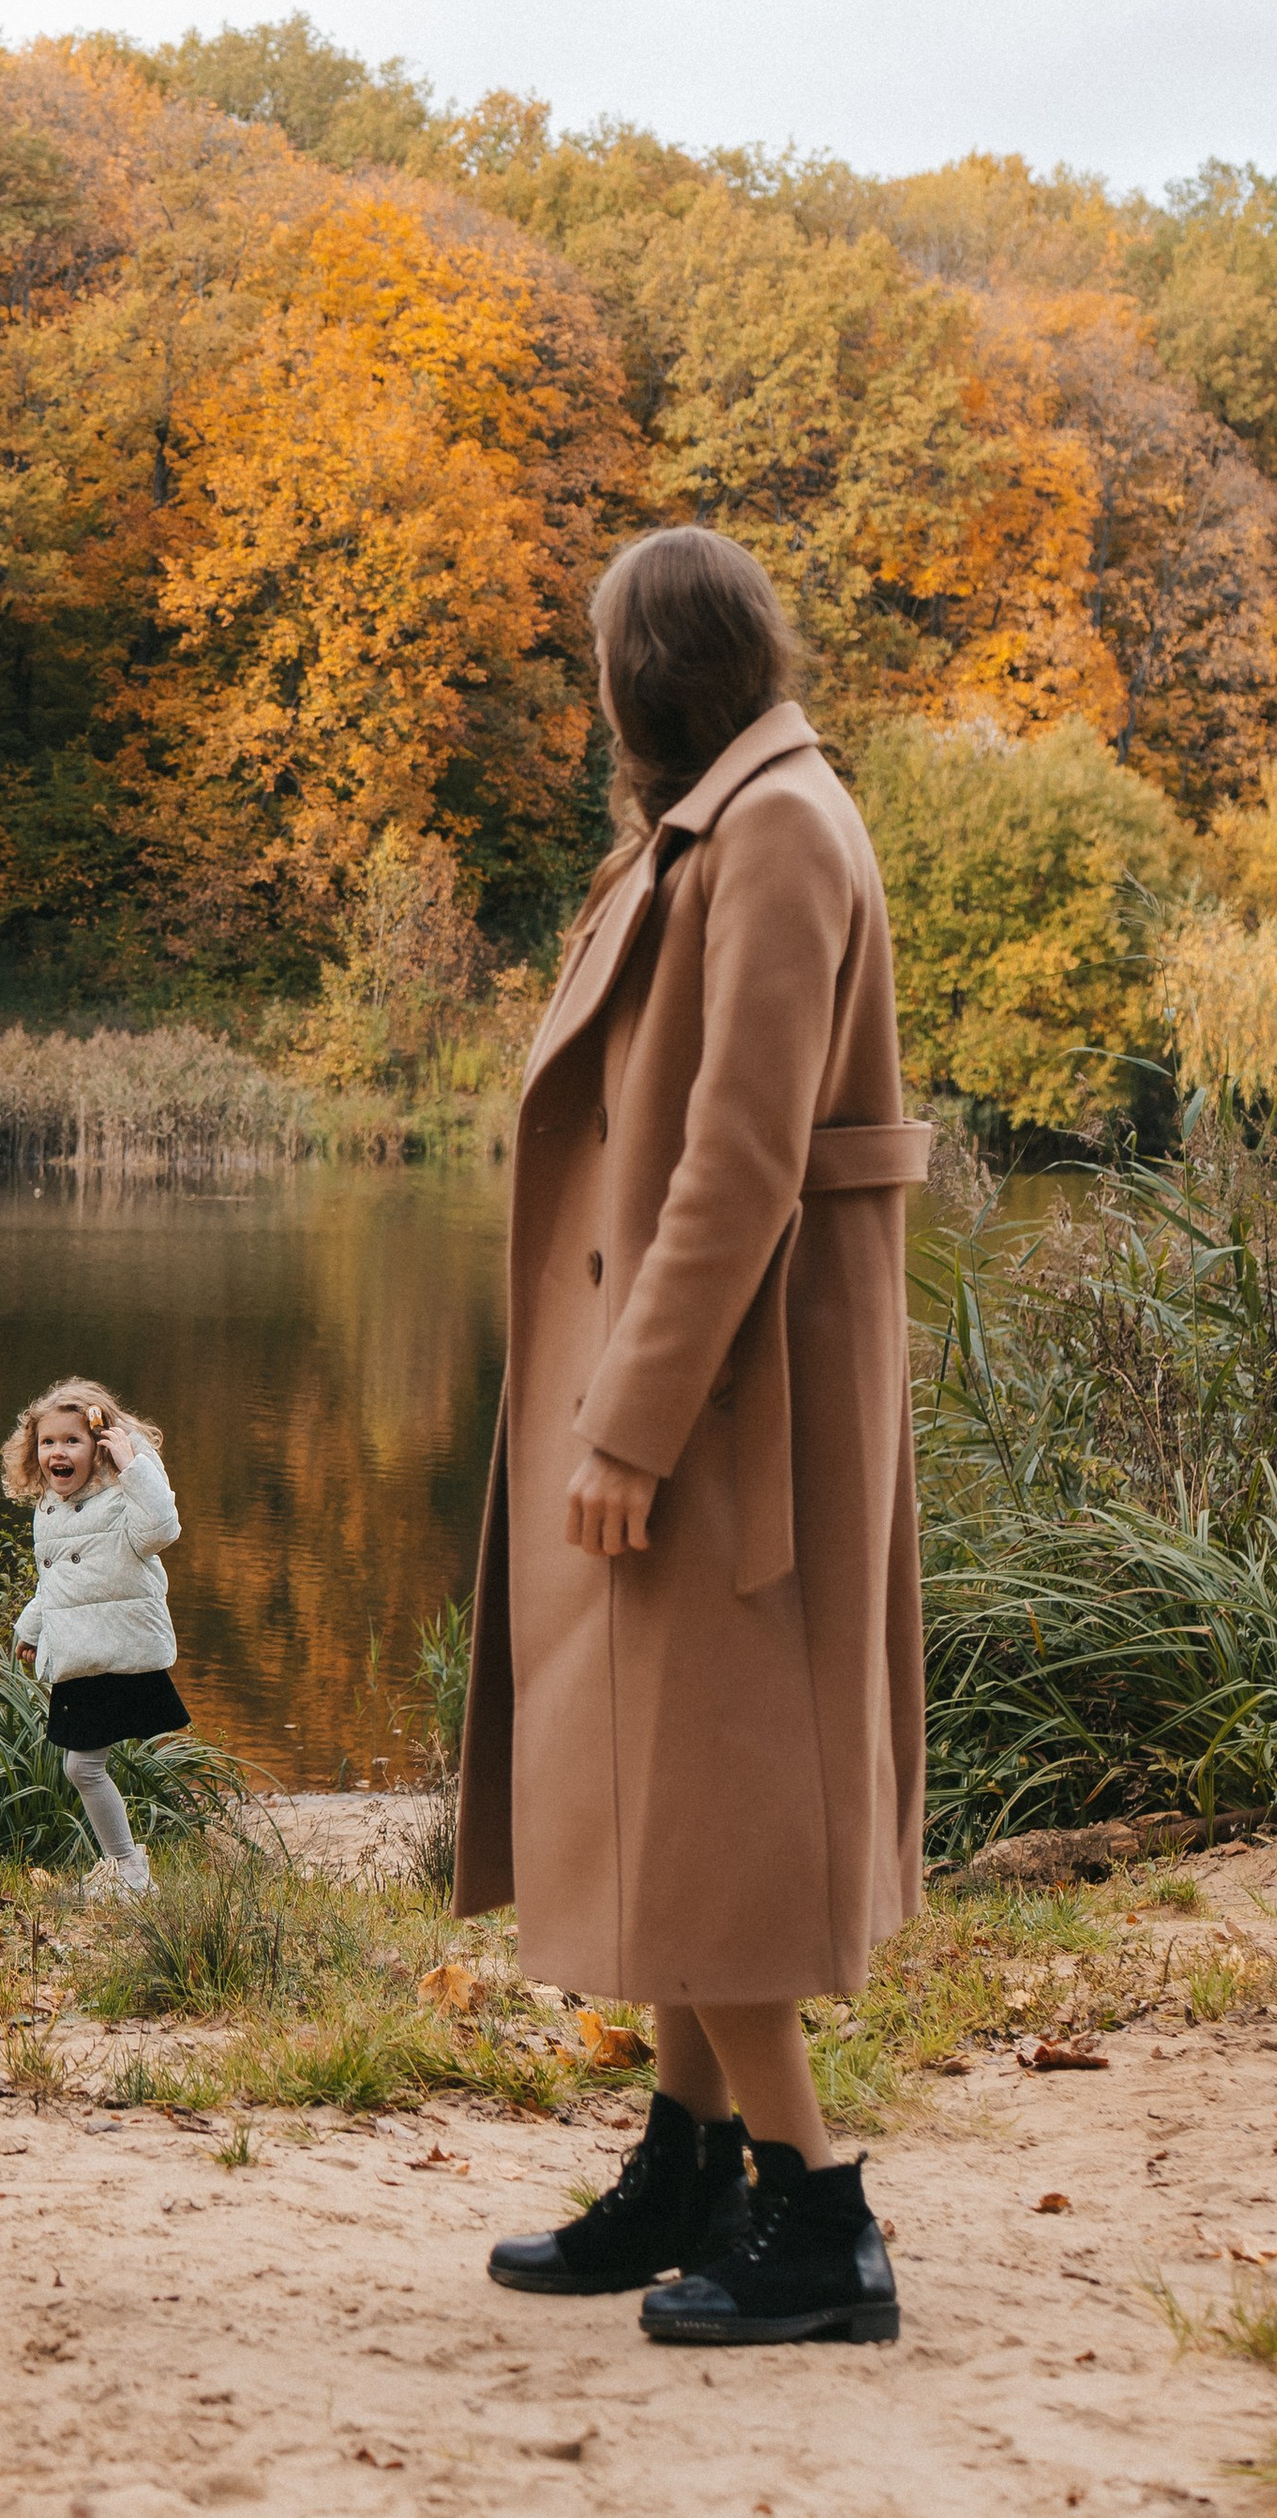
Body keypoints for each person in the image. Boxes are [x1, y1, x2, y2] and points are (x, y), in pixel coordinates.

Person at [458, 525, 926, 2352]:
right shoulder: (730, 817)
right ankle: (692, 2160)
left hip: (737, 1403)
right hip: (706, 1381)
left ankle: (818, 2220)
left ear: (649, 671)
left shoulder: (783, 828)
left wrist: (633, 1427)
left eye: (600, 662)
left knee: (716, 1799)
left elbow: (738, 1167)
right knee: (669, 1783)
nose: (592, 699)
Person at [2, 1376, 189, 1899]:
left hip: (117, 1647)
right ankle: (126, 1869)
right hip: (81, 1653)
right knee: (83, 1766)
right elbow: (57, 1580)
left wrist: (134, 1465)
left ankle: (128, 1871)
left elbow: (162, 1530)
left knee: (83, 1765)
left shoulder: (122, 1497)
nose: (57, 1453)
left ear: (100, 1445)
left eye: (72, 1441)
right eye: (47, 1442)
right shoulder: (52, 1510)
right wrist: (33, 1627)